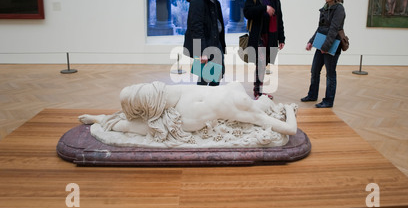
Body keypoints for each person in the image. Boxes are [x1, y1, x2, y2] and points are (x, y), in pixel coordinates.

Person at [78, 81, 299, 146]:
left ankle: (102, 119)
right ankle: (103, 119)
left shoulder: (234, 89)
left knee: (136, 120)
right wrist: (288, 109)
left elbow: (288, 129)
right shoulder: (242, 101)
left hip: (174, 100)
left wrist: (279, 107)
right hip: (183, 112)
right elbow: (289, 128)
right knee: (136, 124)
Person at [301, 0, 346, 108]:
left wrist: (325, 47)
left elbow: (333, 29)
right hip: (322, 45)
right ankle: (312, 95)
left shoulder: (339, 9)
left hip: (332, 45)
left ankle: (328, 101)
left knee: (330, 74)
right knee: (314, 70)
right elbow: (320, 28)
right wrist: (311, 41)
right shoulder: (325, 9)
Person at [243, 0, 285, 100]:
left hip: (272, 36)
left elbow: (279, 18)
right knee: (260, 63)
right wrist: (263, 8)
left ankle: (259, 91)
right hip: (259, 36)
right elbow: (247, 12)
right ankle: (258, 93)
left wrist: (282, 38)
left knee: (264, 63)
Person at [183, 0, 227, 86]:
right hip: (205, 46)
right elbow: (195, 27)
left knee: (214, 80)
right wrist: (201, 51)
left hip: (214, 43)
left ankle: (212, 104)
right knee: (204, 81)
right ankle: (200, 104)